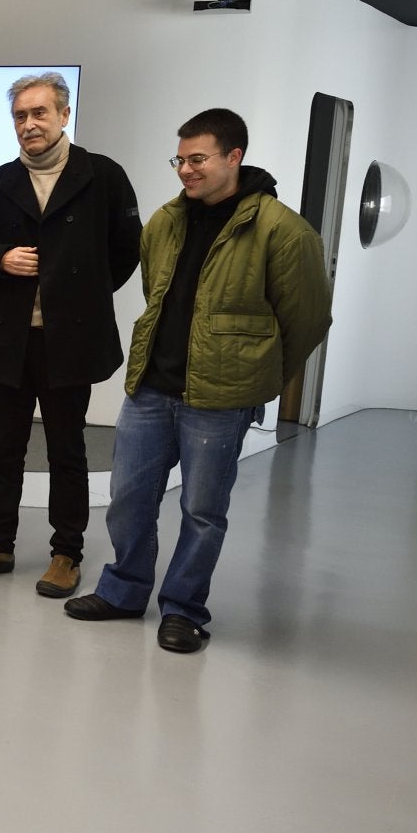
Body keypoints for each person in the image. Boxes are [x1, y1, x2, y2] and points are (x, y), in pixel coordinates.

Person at [66, 108, 331, 653]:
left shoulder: (281, 230)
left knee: (202, 512)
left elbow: (306, 319)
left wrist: (260, 377)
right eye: (180, 159)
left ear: (234, 157)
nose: (186, 170)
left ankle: (184, 610)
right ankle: (124, 590)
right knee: (127, 497)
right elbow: (155, 293)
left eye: (198, 159)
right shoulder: (165, 221)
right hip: (152, 388)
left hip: (219, 399)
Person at [0, 72, 140, 598]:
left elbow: (127, 249)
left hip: (72, 339)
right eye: (20, 116)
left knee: (67, 450)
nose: (29, 124)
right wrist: (1, 258)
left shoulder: (102, 176)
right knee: (4, 451)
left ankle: (66, 553)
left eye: (39, 113)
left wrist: (80, 292)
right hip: (12, 339)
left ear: (63, 115)